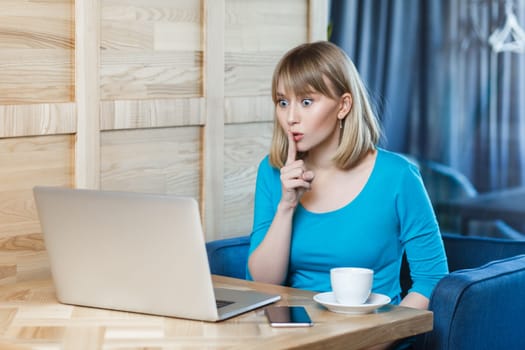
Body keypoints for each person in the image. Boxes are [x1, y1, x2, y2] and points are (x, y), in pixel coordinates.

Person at [246, 41, 448, 348]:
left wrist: (376, 338)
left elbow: (431, 279)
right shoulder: (273, 172)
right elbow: (263, 282)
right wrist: (287, 205)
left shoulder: (397, 176)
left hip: (374, 339)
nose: (291, 118)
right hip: (294, 339)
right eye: (283, 102)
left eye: (307, 101)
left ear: (343, 105)